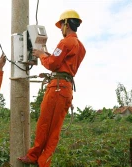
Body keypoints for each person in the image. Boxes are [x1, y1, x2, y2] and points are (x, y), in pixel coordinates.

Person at [18, 9, 86, 167]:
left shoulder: (65, 42)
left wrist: (42, 55)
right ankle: (43, 162)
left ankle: (35, 156)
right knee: (54, 130)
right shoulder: (81, 47)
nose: (61, 28)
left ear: (66, 24)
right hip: (66, 88)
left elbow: (52, 64)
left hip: (57, 88)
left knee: (44, 124)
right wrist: (47, 54)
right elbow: (62, 63)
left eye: (61, 25)